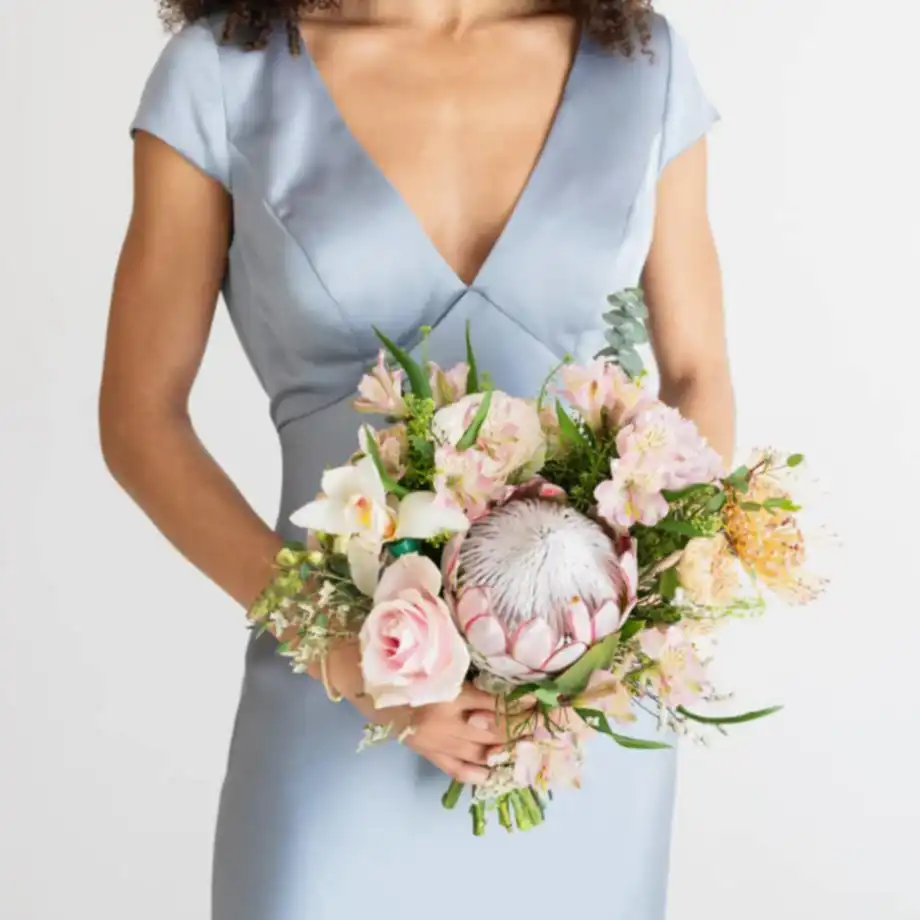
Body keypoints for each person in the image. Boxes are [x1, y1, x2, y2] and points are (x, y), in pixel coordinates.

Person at [100, 1, 734, 918]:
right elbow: (139, 418)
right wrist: (355, 666)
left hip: (572, 728)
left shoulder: (640, 63)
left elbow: (697, 372)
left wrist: (623, 636)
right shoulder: (224, 72)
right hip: (335, 720)